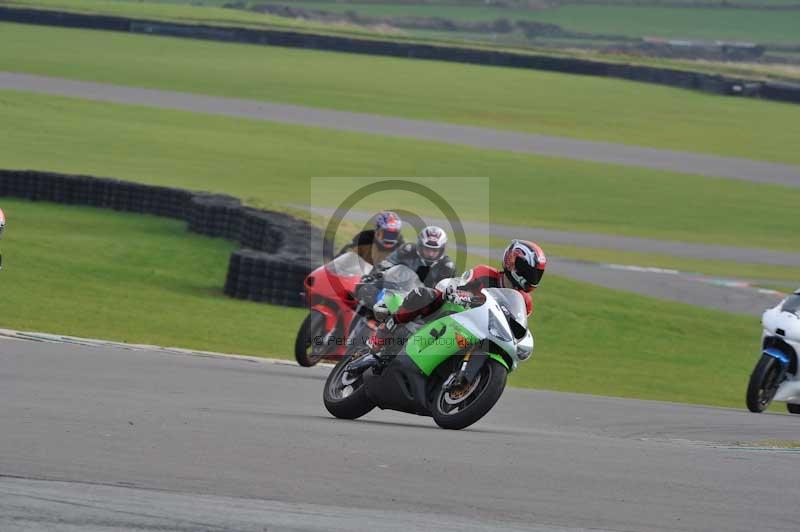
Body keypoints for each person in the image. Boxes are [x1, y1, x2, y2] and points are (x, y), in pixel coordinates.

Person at [347, 239, 546, 373]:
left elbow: (516, 325)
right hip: (454, 311)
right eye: (528, 271)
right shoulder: (485, 273)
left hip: (480, 332)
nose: (532, 278)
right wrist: (458, 293)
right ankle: (381, 339)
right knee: (425, 295)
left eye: (536, 273)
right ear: (512, 263)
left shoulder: (524, 301)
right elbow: (459, 285)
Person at [377, 225, 455, 287]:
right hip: (396, 293)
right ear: (420, 246)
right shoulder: (407, 251)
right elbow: (386, 265)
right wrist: (378, 274)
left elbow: (447, 291)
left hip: (426, 302)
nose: (431, 254)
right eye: (427, 249)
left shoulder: (447, 266)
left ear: (441, 249)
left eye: (435, 250)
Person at [337, 211, 404, 266]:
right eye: (386, 234)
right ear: (377, 230)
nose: (390, 238)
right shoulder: (364, 238)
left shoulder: (402, 247)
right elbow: (344, 255)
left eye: (394, 234)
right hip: (360, 278)